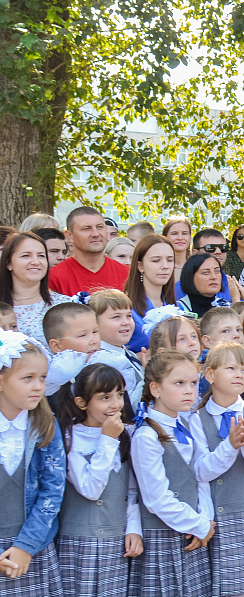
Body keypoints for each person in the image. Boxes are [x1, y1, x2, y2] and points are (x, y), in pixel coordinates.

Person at [190, 342, 244, 597]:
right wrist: (229, 446)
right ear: (210, 375)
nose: (239, 374)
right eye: (230, 368)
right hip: (220, 515)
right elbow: (200, 471)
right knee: (231, 590)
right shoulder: (197, 418)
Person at [52, 361, 141, 597]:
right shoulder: (69, 438)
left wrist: (134, 528)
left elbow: (131, 490)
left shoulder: (126, 433)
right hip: (80, 543)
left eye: (119, 394)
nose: (115, 404)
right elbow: (90, 488)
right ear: (82, 402)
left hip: (118, 540)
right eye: (104, 397)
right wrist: (108, 440)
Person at [130, 350, 215, 595]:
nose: (189, 390)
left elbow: (199, 476)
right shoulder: (147, 436)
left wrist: (206, 521)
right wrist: (198, 525)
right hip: (163, 537)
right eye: (179, 383)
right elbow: (156, 498)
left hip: (194, 532)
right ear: (156, 389)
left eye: (193, 383)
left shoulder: (186, 424)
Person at [0, 332, 65, 591]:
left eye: (42, 378)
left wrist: (25, 547)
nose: (38, 386)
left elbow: (53, 491)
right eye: (28, 378)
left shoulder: (45, 426)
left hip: (32, 549)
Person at [0, 232, 73, 343]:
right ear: (8, 263)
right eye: (26, 255)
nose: (36, 262)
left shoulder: (65, 305)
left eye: (41, 256)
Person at [48, 207, 130, 296]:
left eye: (100, 227)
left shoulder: (128, 274)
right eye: (87, 228)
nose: (95, 234)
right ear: (69, 236)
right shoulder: (53, 278)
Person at [123, 234, 177, 352]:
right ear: (140, 266)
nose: (165, 266)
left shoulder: (178, 306)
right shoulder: (125, 308)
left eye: (170, 260)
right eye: (156, 260)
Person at [176, 252, 234, 317]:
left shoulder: (227, 308)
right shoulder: (177, 311)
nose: (214, 277)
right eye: (206, 272)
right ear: (190, 277)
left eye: (217, 271)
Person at [161, 216, 192, 283]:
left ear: (190, 238)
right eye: (174, 233)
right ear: (165, 237)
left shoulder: (197, 267)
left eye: (184, 233)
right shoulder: (160, 267)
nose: (180, 238)